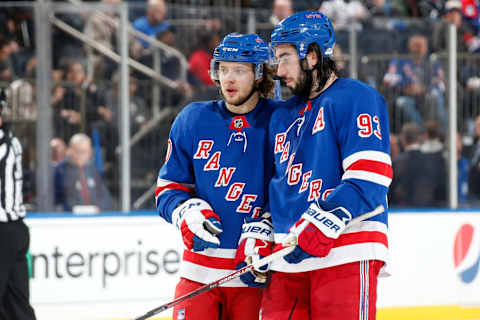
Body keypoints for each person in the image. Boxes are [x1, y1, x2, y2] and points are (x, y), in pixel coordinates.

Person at [263, 11, 391, 319]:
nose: (279, 71)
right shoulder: (281, 115)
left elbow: (370, 178)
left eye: (284, 58)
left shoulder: (356, 97)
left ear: (312, 55)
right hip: (286, 260)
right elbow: (277, 187)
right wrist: (260, 229)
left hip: (344, 253)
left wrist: (323, 220)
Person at [155, 33, 279, 320]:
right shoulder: (193, 119)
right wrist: (186, 210)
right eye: (223, 69)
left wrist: (268, 224)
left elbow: (294, 186)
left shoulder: (281, 120)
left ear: (260, 73)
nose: (229, 79)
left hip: (255, 275)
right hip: (198, 275)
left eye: (239, 70)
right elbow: (168, 189)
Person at [0, 88, 37, 320]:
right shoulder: (9, 141)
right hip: (12, 231)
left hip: (5, 231)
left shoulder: (7, 143)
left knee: (14, 301)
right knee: (16, 302)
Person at [54, 133, 112, 212]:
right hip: (68, 218)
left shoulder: (93, 169)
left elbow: (104, 195)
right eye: (78, 151)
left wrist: (100, 208)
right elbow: (54, 200)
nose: (81, 155)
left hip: (95, 218)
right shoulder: (60, 171)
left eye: (85, 152)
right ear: (70, 150)